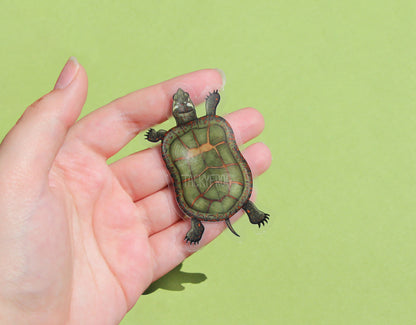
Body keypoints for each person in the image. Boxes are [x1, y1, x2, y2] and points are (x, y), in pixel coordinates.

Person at [0, 57, 271, 324]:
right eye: (181, 103)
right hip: (229, 183)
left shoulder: (172, 138)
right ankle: (242, 208)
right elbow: (211, 125)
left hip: (198, 188)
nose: (181, 104)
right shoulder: (209, 125)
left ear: (181, 113)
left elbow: (171, 141)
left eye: (183, 103)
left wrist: (158, 135)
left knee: (198, 178)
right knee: (220, 171)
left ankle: (201, 221)